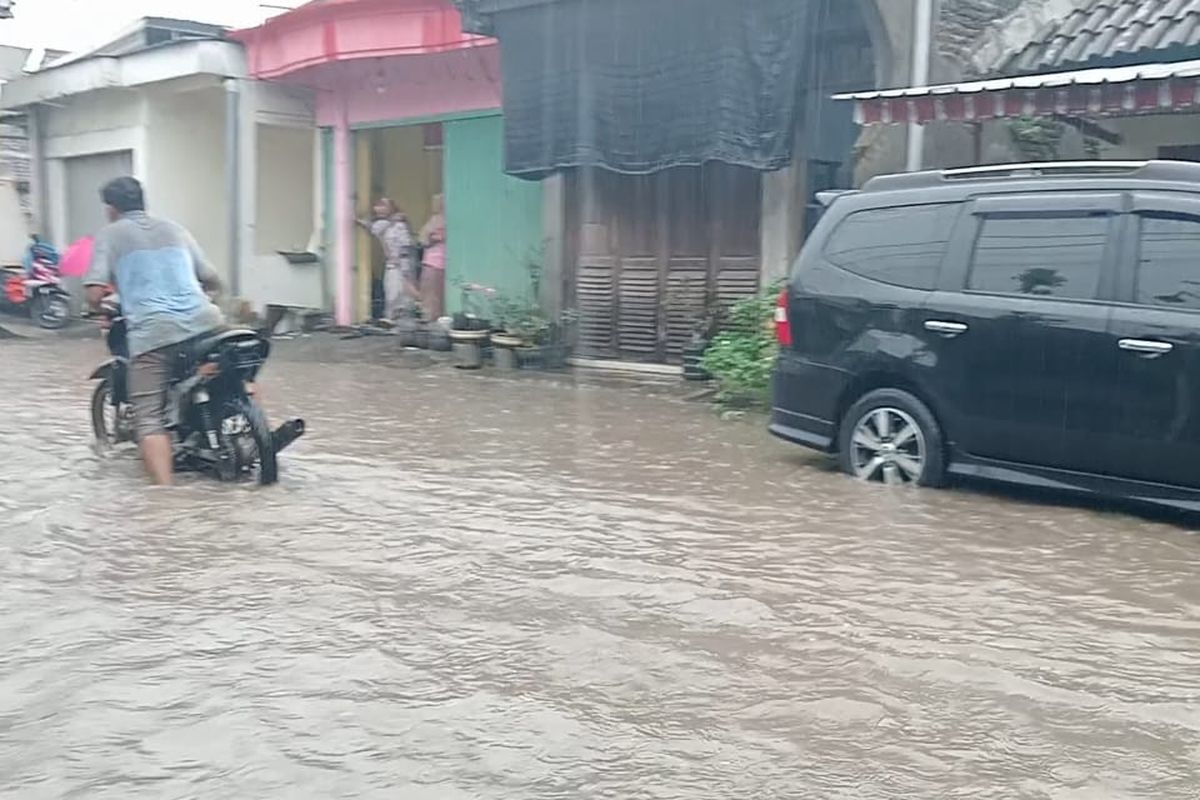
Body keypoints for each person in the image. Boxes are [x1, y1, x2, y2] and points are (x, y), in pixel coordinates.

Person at [83, 177, 225, 486]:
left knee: (148, 417)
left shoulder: (110, 234)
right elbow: (213, 280)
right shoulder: (175, 229)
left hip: (153, 332)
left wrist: (97, 307)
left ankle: (164, 496)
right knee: (236, 377)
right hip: (208, 323)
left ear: (110, 208)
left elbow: (94, 292)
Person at [357, 197, 417, 321]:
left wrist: (403, 265)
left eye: (383, 205)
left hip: (401, 263)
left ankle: (403, 320)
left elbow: (406, 245)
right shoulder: (381, 223)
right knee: (391, 292)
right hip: (391, 264)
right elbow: (369, 226)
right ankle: (392, 319)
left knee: (401, 293)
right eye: (377, 206)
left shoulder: (400, 225)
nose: (379, 208)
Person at [419, 193, 446, 321]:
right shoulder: (435, 219)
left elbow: (423, 239)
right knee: (433, 294)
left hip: (435, 261)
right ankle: (432, 318)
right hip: (434, 261)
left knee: (433, 294)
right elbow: (423, 239)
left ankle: (433, 318)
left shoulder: (437, 219)